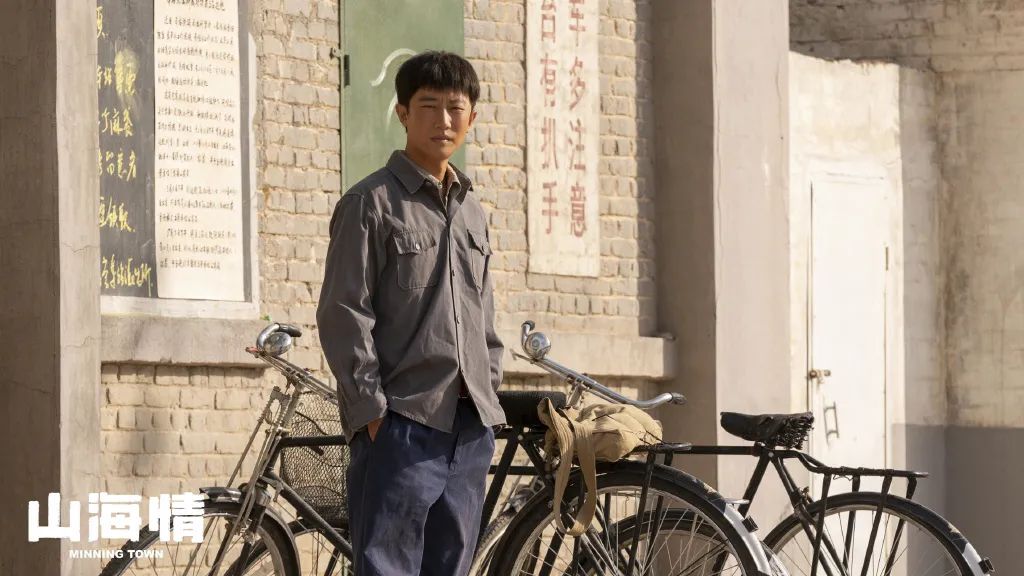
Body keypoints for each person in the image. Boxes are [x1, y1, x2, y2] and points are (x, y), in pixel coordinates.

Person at [316, 50, 505, 576]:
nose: (444, 120)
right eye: (429, 106)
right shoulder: (369, 203)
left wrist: (488, 393)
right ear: (402, 113)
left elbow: (484, 319)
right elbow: (343, 313)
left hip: (469, 430)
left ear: (472, 117)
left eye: (455, 108)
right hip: (401, 425)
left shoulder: (472, 211)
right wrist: (373, 413)